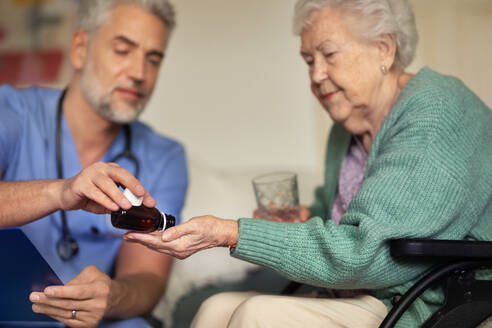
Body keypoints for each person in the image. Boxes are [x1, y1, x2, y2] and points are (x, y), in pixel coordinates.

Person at [124, 0, 492, 327]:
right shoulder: (347, 127)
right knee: (216, 307)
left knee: (259, 316)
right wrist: (304, 217)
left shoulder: (436, 112)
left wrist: (232, 232)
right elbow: (347, 215)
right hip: (358, 295)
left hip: (424, 302)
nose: (315, 75)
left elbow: (367, 253)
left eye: (329, 55)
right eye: (308, 60)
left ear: (383, 48)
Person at [0, 0, 187, 327]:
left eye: (153, 59)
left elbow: (146, 277)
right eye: (122, 50)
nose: (139, 73)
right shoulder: (12, 114)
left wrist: (112, 296)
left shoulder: (164, 156)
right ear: (80, 49)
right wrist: (60, 192)